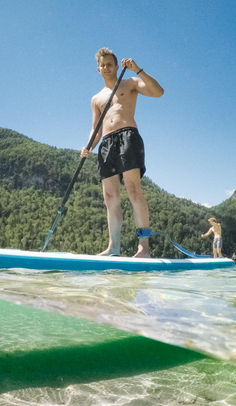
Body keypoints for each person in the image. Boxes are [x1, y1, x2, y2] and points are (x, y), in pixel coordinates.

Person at [80, 48, 164, 258]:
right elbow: (96, 128)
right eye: (103, 65)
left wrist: (138, 70)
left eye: (110, 64)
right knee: (109, 197)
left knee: (134, 190)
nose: (107, 68)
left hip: (128, 136)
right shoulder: (96, 99)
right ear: (98, 69)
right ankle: (113, 247)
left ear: (117, 67)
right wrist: (88, 146)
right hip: (106, 144)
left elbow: (158, 92)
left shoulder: (130, 83)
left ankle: (143, 247)